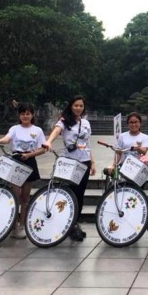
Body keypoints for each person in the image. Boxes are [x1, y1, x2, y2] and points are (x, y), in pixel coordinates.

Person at [0, 103, 48, 239]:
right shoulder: (14, 128)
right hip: (16, 160)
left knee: (25, 196)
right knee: (14, 195)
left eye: (28, 113)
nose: (25, 116)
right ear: (19, 115)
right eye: (23, 114)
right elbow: (7, 138)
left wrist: (29, 155)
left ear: (32, 115)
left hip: (29, 161)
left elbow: (43, 148)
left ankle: (22, 224)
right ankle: (13, 225)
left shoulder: (38, 130)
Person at [44, 95, 95, 241]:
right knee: (69, 192)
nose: (78, 108)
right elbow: (55, 131)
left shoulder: (86, 123)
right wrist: (48, 142)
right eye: (76, 105)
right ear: (71, 106)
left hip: (84, 161)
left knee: (80, 193)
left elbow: (87, 143)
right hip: (69, 162)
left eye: (81, 106)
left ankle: (75, 223)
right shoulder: (64, 121)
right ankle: (67, 223)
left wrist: (92, 161)